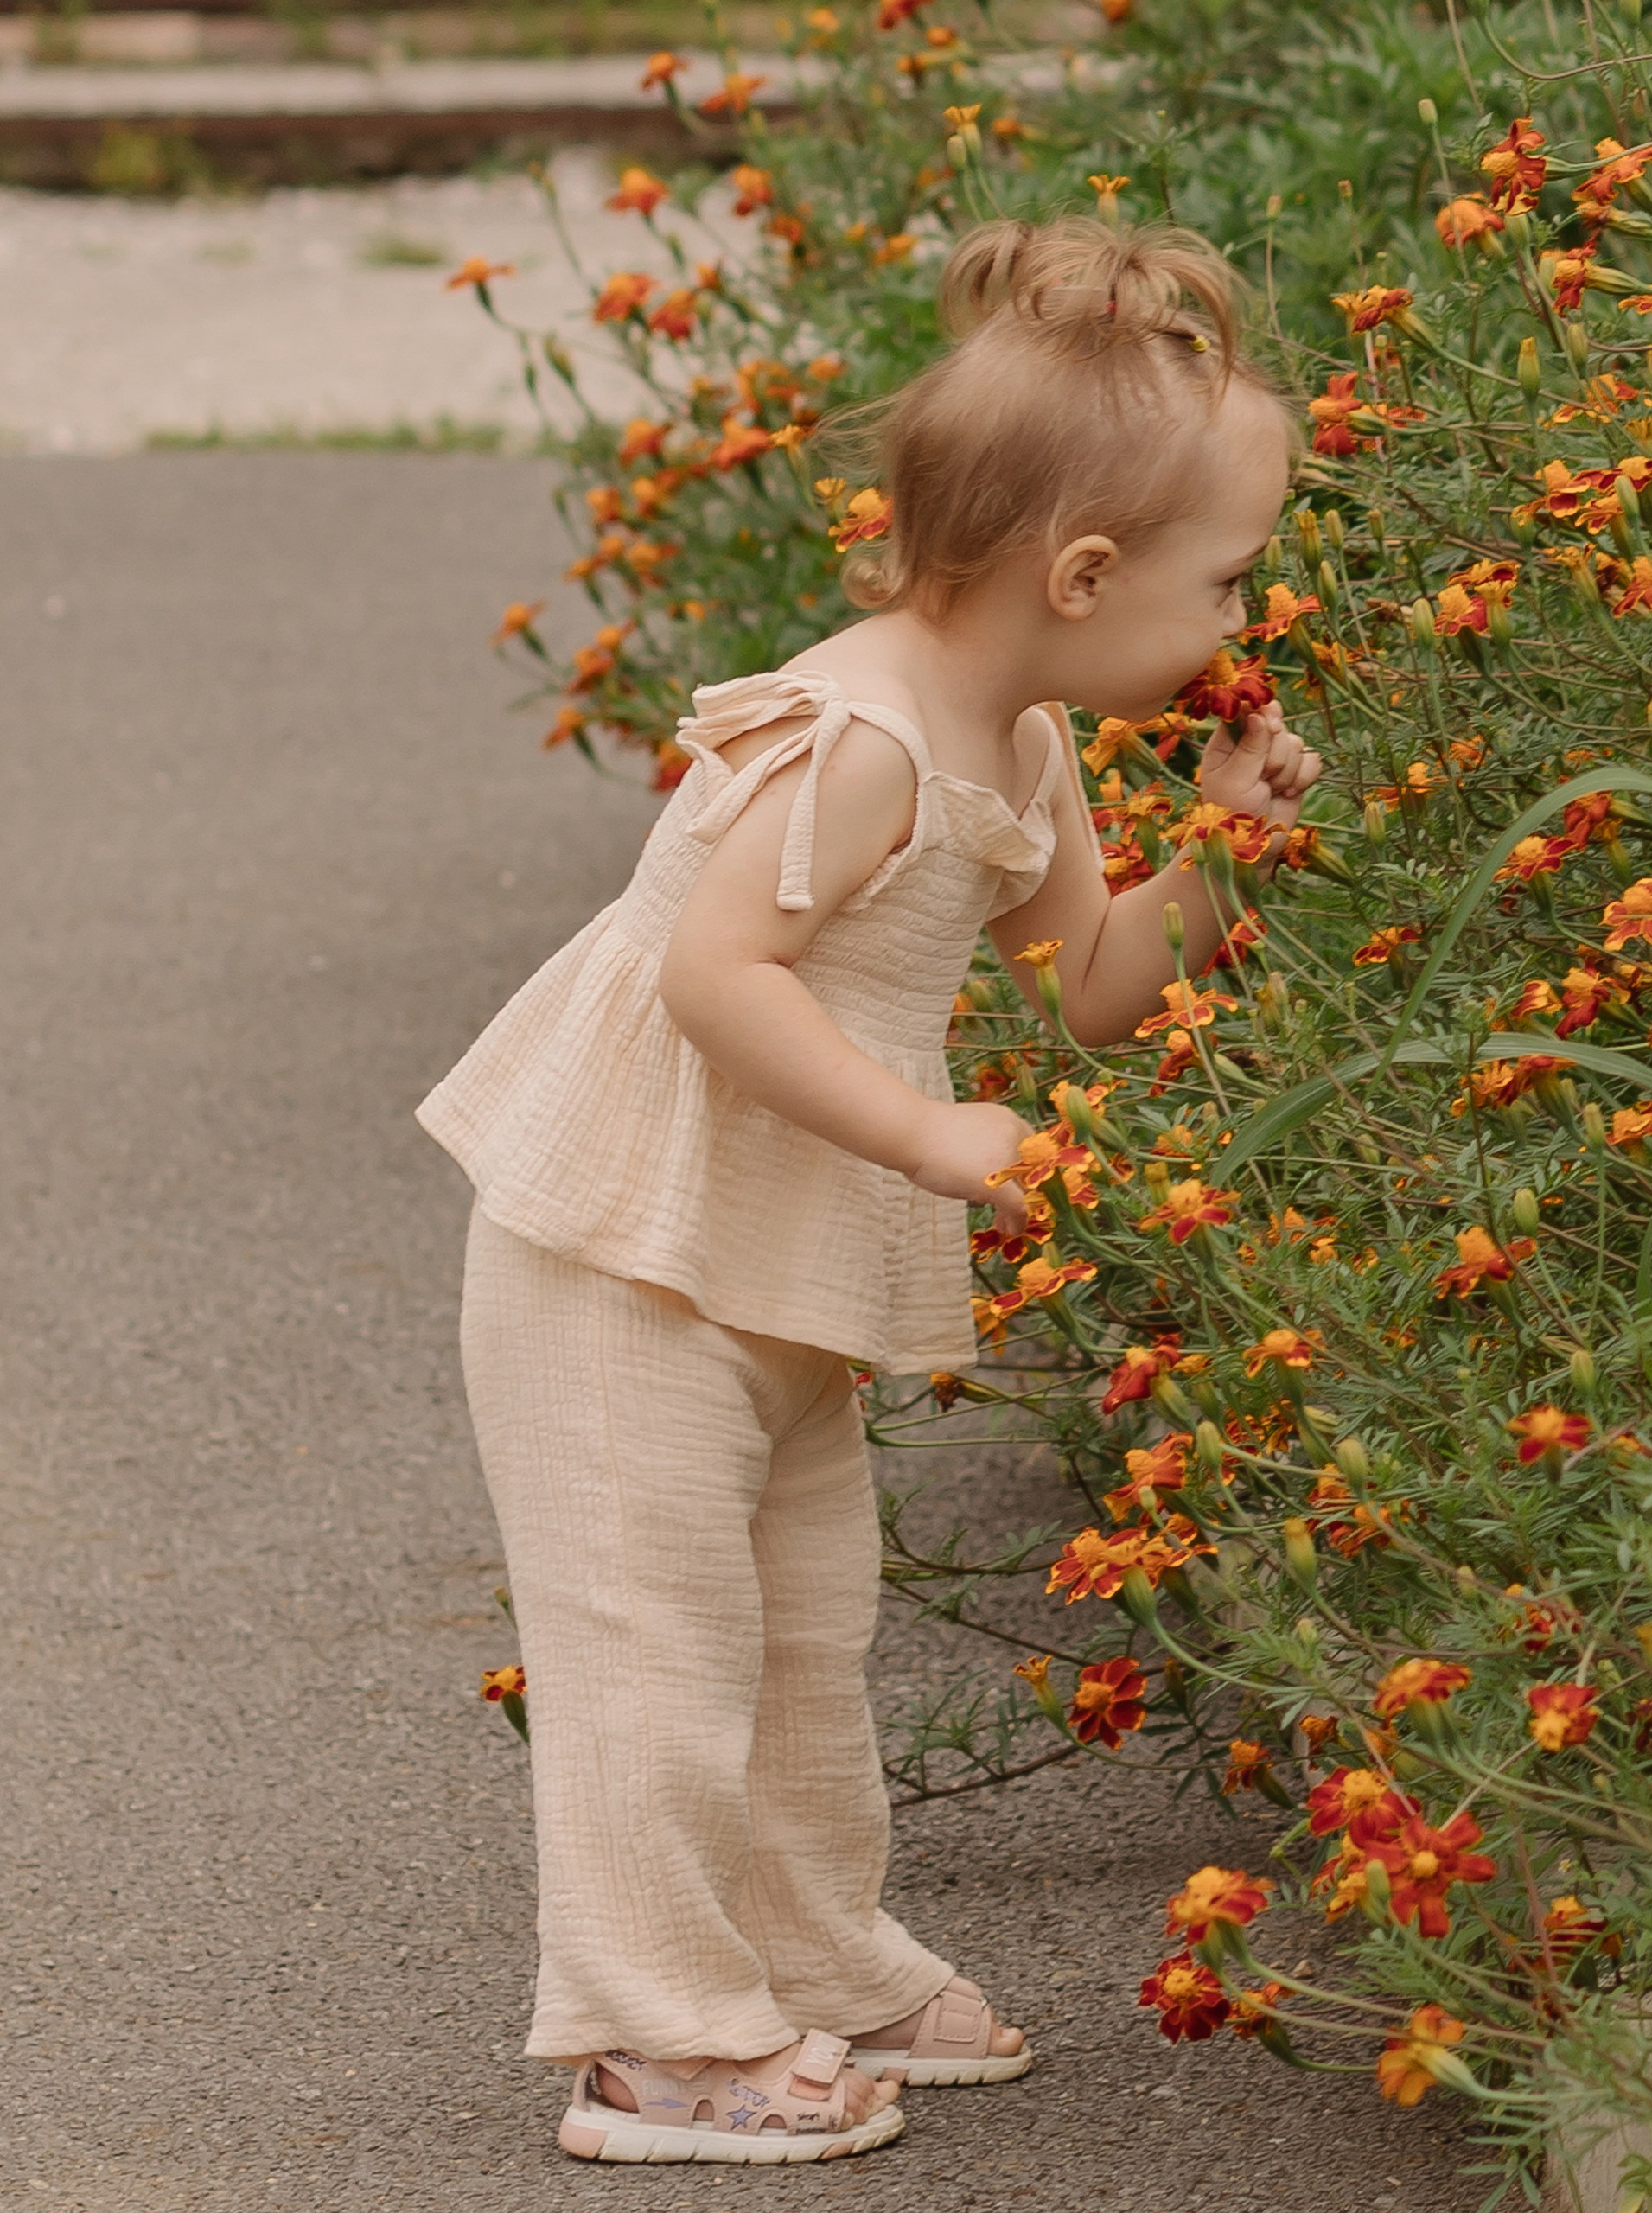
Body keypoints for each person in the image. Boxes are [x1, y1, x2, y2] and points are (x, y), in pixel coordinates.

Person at [418, 214, 1324, 2165]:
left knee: (800, 1637)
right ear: (1081, 576)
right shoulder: (852, 740)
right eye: (1228, 583)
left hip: (771, 1260)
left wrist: (1221, 859)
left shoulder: (1023, 729)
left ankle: (810, 1960)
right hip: (620, 1253)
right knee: (653, 1655)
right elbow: (709, 971)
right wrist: (929, 1137)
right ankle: (657, 2042)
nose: (1244, 624)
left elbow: (1085, 990)